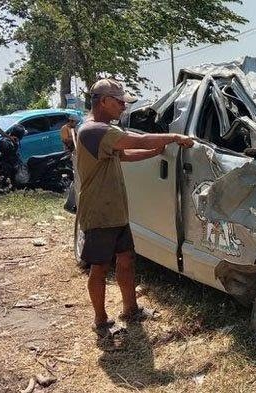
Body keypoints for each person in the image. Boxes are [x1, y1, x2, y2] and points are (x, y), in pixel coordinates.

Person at [77, 78, 194, 337]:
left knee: (126, 259)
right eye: (119, 102)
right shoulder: (94, 130)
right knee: (99, 267)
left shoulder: (103, 132)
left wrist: (154, 153)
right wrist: (176, 137)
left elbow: (125, 154)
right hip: (99, 213)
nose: (123, 107)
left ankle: (130, 309)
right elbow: (136, 141)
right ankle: (100, 320)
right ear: (104, 101)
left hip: (115, 211)